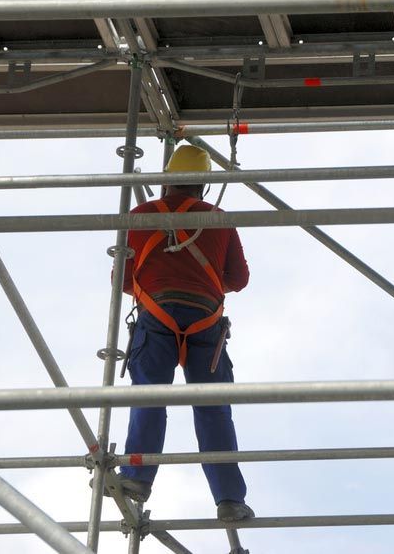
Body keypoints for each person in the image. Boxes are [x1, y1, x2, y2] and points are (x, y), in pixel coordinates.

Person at [113, 144, 254, 522]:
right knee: (213, 408)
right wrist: (202, 284)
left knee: (150, 395)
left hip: (156, 315)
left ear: (167, 182)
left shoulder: (140, 215)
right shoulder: (218, 219)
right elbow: (239, 279)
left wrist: (158, 281)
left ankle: (138, 477)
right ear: (203, 186)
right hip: (206, 321)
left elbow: (122, 280)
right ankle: (228, 499)